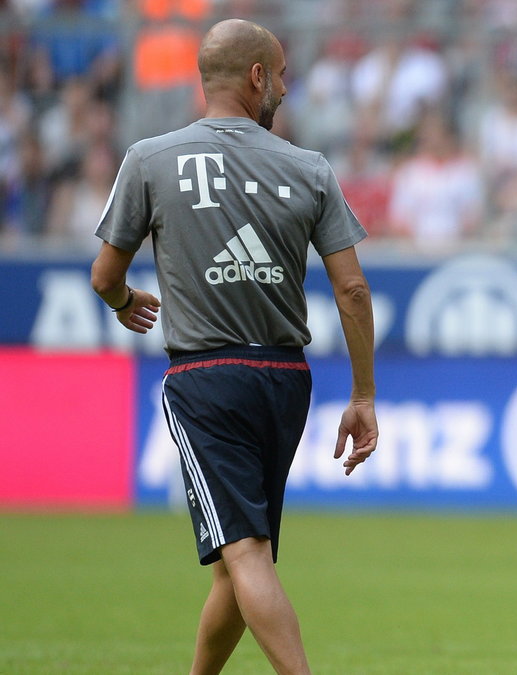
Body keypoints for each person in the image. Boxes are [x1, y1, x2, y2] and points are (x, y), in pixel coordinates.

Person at [89, 19, 378, 675]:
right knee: (243, 556)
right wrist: (363, 393)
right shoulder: (308, 167)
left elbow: (105, 276)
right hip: (284, 377)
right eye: (279, 75)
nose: (284, 88)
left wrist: (124, 303)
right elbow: (353, 290)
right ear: (256, 78)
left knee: (244, 552)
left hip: (206, 376)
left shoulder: (149, 159)